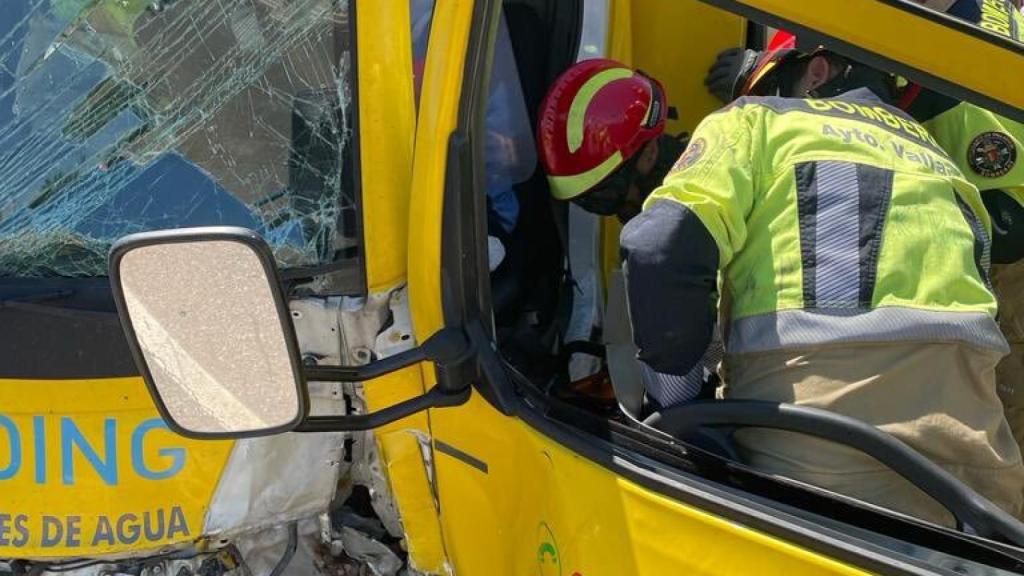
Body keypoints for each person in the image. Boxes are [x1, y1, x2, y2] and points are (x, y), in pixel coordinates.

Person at [621, 39, 1024, 526]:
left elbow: (660, 247)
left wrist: (681, 410)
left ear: (814, 73)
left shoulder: (757, 122)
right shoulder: (944, 166)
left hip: (816, 456)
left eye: (770, 86)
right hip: (978, 467)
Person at [536, 59, 721, 409]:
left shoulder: (695, 214)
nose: (594, 205)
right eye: (583, 198)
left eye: (602, 191)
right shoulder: (637, 200)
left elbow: (708, 344)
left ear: (649, 152)